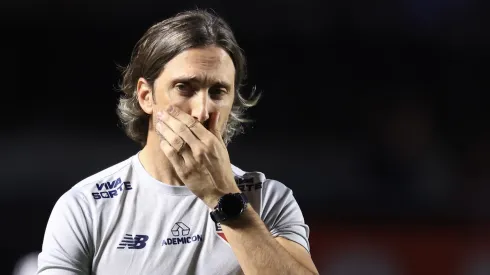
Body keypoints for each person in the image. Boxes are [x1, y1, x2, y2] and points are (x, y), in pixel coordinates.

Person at [37, 9, 319, 275]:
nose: (202, 110)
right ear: (146, 96)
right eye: (185, 87)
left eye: (218, 91)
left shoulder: (268, 199)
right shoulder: (86, 206)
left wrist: (224, 198)